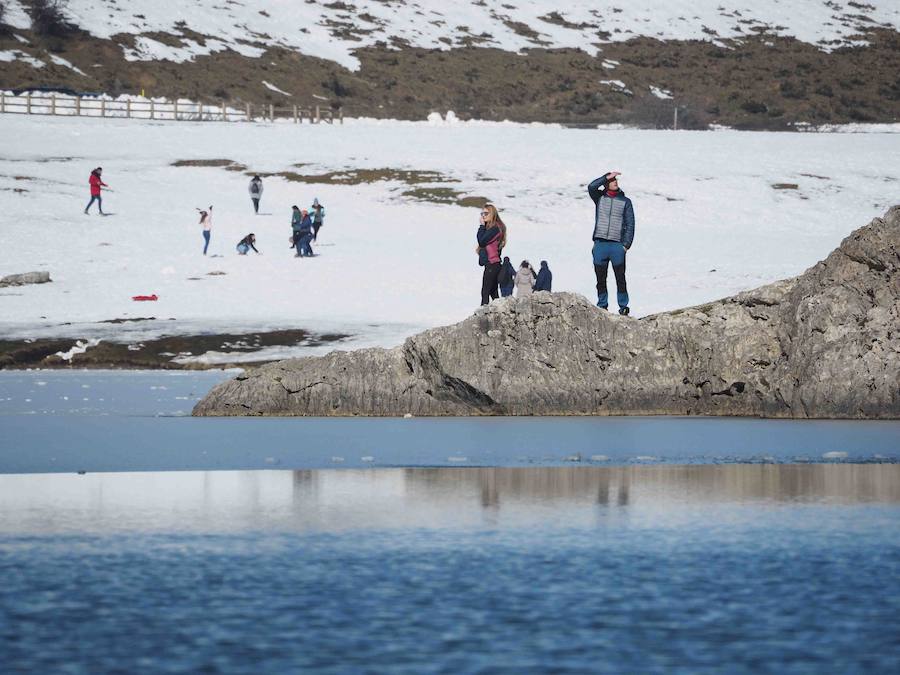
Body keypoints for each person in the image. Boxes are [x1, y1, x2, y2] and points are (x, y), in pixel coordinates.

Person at [588, 170, 634, 315]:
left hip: (616, 246)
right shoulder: (599, 198)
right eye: (612, 181)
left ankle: (623, 306)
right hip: (600, 245)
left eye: (616, 180)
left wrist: (625, 245)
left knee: (620, 278)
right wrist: (605, 176)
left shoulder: (626, 201)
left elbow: (630, 224)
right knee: (600, 279)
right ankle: (602, 305)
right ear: (606, 184)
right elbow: (591, 187)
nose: (615, 182)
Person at [476, 203, 506, 305]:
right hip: (492, 264)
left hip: (493, 264)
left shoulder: (496, 228)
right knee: (493, 292)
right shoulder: (493, 228)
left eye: (486, 213)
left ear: (492, 213)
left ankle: (483, 315)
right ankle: (499, 313)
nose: (483, 216)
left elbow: (482, 241)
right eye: (482, 213)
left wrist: (481, 226)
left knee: (485, 291)